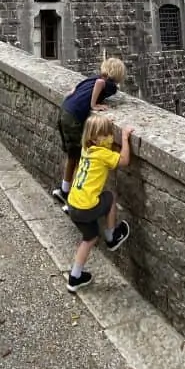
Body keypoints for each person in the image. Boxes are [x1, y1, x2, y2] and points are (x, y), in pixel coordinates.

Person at [65, 115, 134, 292]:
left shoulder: (86, 150)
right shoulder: (103, 154)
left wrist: (105, 125)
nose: (110, 136)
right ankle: (112, 237)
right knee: (109, 197)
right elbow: (124, 160)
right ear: (95, 138)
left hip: (73, 205)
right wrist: (125, 138)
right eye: (106, 134)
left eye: (110, 132)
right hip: (86, 207)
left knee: (89, 238)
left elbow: (101, 141)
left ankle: (74, 277)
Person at [52, 57, 126, 206]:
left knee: (73, 156)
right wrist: (93, 104)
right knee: (82, 159)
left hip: (65, 110)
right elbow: (100, 84)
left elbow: (74, 89)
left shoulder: (93, 77)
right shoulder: (110, 85)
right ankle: (72, 201)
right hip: (74, 118)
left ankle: (64, 190)